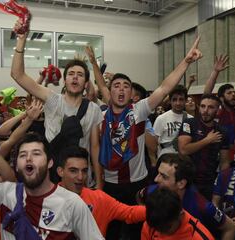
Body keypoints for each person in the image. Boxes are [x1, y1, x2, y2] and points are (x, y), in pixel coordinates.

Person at [86, 37, 202, 240]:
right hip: (109, 184)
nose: (121, 89)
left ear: (132, 93)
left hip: (136, 183)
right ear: (108, 92)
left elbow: (165, 87)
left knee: (135, 232)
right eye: (116, 86)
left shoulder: (138, 110)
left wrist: (186, 61)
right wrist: (94, 65)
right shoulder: (101, 114)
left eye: (126, 86)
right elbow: (102, 87)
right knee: (109, 231)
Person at [0, 128, 104, 240]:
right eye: (23, 155)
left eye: (36, 154)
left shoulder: (72, 204)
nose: (28, 158)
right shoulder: (5, 194)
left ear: (50, 163)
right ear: (17, 165)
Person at [10, 19, 103, 189]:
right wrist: (21, 40)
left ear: (86, 83)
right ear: (64, 80)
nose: (75, 77)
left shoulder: (93, 109)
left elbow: (95, 148)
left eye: (80, 75)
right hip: (52, 174)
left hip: (81, 178)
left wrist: (100, 184)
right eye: (71, 74)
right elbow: (17, 74)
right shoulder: (53, 99)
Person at [139, 154, 235, 240]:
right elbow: (139, 197)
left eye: (164, 177)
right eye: (158, 173)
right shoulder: (152, 191)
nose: (156, 179)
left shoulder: (203, 207)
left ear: (181, 183)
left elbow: (230, 227)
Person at [56, 145, 146, 237]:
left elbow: (129, 213)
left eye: (84, 171)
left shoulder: (98, 198)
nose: (80, 177)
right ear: (60, 171)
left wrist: (157, 209)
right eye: (73, 171)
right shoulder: (47, 199)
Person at [178, 94, 231, 200]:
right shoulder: (189, 123)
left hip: (209, 182)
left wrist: (221, 184)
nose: (205, 110)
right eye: (203, 106)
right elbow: (183, 150)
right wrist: (207, 140)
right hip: (188, 180)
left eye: (211, 107)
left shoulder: (222, 131)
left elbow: (224, 162)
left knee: (205, 214)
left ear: (217, 110)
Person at [141, 187, 214, 240]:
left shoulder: (199, 237)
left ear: (180, 215)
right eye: (157, 228)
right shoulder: (153, 222)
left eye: (167, 228)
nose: (161, 232)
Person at [153, 84, 191, 158]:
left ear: (185, 100)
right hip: (165, 158)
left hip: (184, 159)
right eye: (174, 99)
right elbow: (154, 142)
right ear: (170, 101)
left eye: (181, 99)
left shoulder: (190, 119)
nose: (178, 103)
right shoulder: (161, 118)